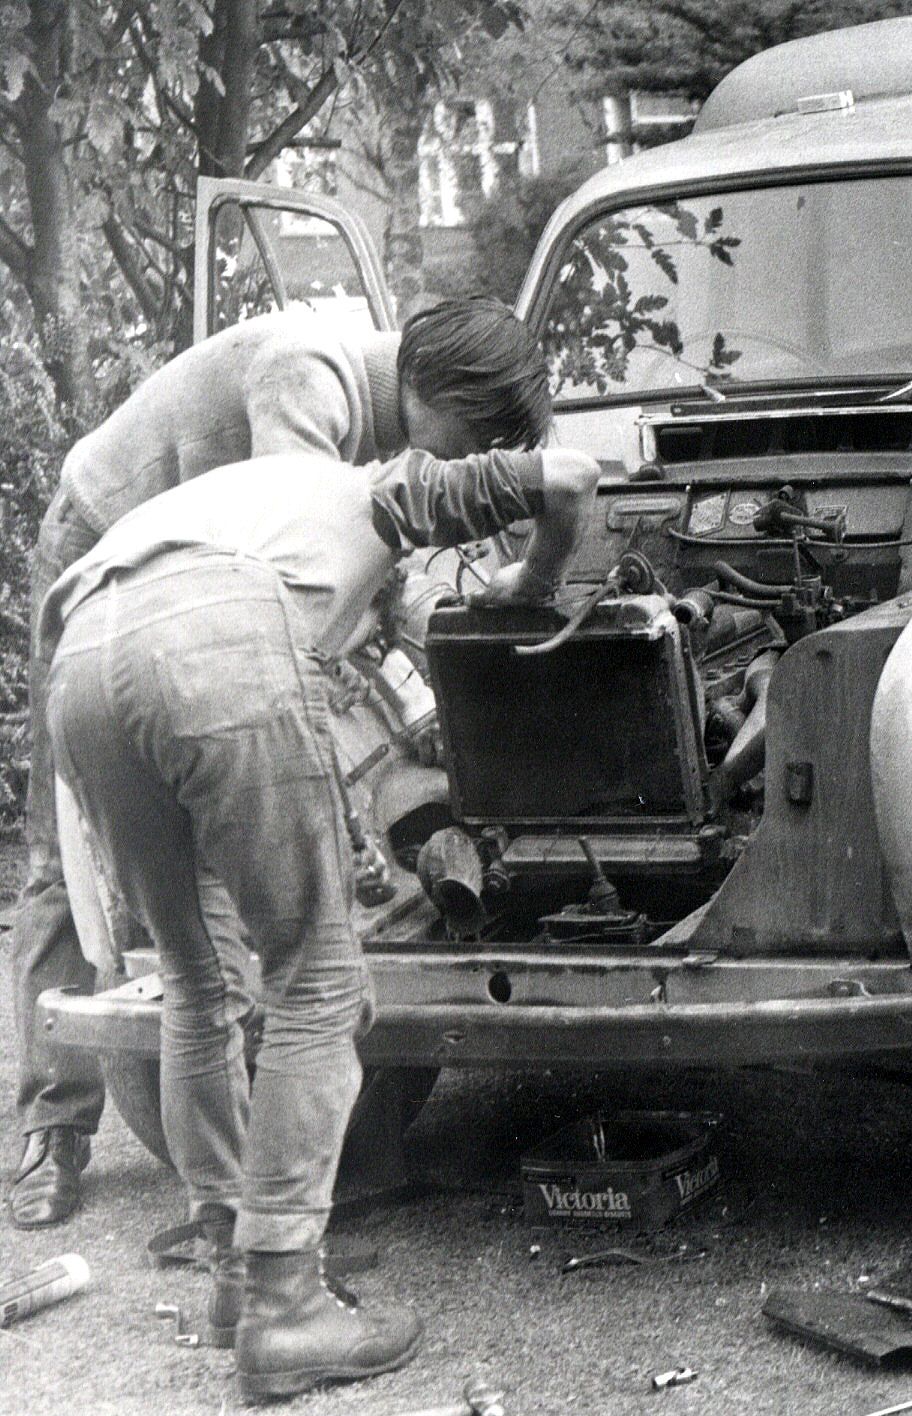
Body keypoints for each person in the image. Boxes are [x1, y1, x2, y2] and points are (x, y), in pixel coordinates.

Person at [40, 443, 600, 1400]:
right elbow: (573, 475)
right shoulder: (385, 488)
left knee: (196, 976)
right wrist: (532, 574)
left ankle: (234, 1273)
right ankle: (286, 1303)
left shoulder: (261, 498)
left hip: (82, 651)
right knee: (320, 979)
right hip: (208, 640)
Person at [9, 297, 551, 1230]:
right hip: (103, 550)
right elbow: (293, 567)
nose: (466, 463)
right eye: (475, 439)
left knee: (203, 945)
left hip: (192, 587)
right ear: (437, 392)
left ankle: (234, 1219)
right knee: (68, 851)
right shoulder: (310, 376)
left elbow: (363, 571)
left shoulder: (377, 418)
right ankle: (54, 1125)